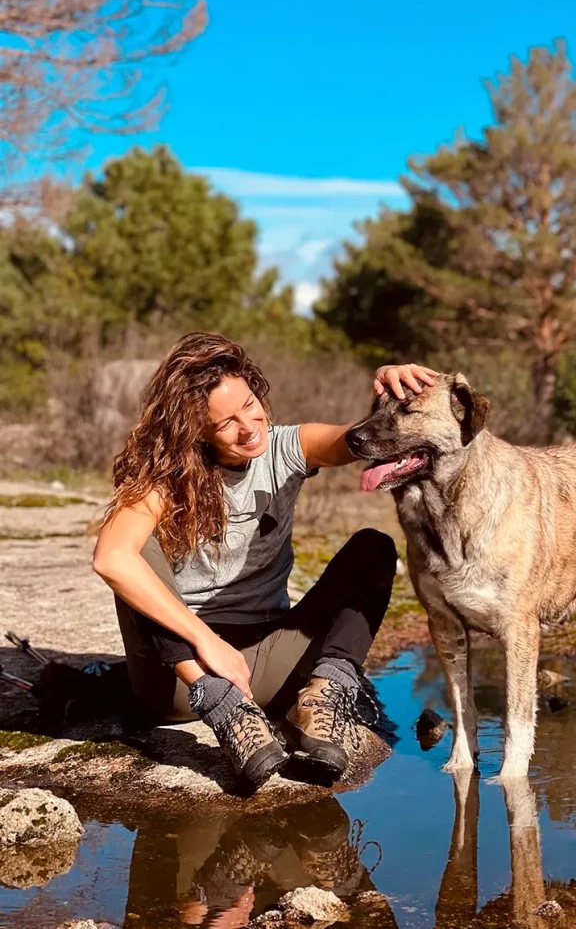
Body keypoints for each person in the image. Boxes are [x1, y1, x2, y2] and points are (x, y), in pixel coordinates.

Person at [92, 331, 437, 791]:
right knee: (135, 552)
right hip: (182, 678)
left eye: (250, 403)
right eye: (225, 423)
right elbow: (111, 559)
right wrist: (205, 641)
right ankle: (225, 709)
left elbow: (355, 441)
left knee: (374, 547)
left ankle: (321, 700)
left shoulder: (285, 447)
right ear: (195, 430)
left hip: (268, 668)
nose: (249, 426)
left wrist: (386, 401)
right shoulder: (167, 478)